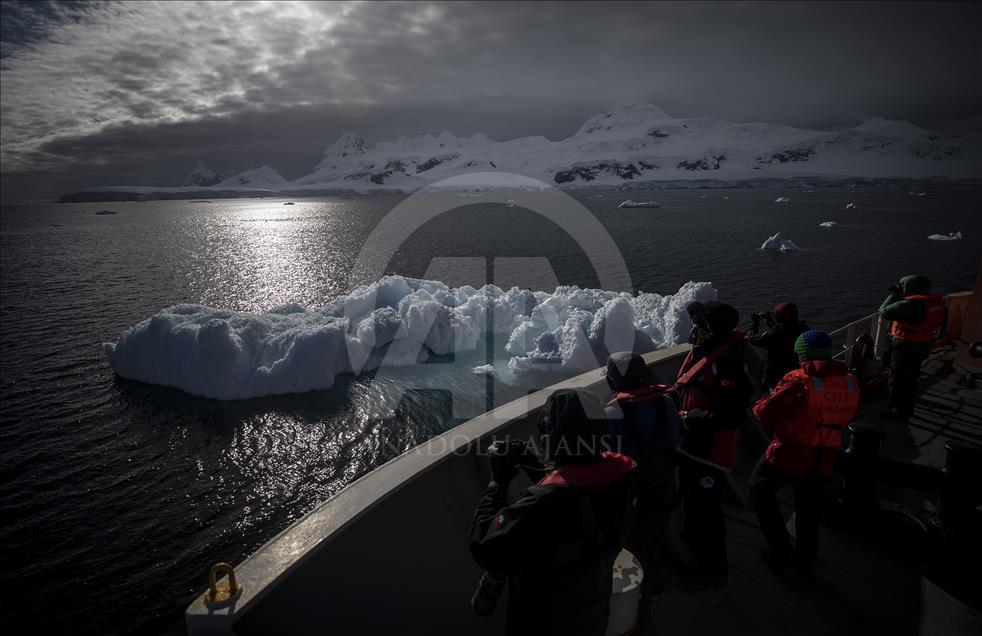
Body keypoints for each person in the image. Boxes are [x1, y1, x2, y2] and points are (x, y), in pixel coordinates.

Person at [469, 388, 636, 636]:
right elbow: (579, 498)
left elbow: (485, 546)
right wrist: (538, 468)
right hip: (592, 609)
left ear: (552, 437)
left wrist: (498, 483)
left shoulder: (544, 504)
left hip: (544, 619)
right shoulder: (623, 477)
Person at [749, 330, 860, 572]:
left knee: (759, 487)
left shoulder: (799, 381)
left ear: (802, 354)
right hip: (826, 453)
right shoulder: (849, 381)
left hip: (792, 451)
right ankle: (805, 559)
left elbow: (764, 412)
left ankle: (780, 549)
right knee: (809, 507)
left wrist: (765, 403)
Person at [674, 301, 754, 592]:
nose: (694, 330)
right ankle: (692, 556)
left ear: (710, 330)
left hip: (709, 449)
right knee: (694, 507)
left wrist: (691, 418)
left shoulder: (726, 363)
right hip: (694, 445)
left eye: (698, 325)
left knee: (706, 512)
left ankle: (714, 574)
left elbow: (729, 415)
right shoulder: (708, 354)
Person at [604, 352, 682, 588]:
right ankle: (655, 573)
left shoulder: (611, 413)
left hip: (633, 489)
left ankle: (644, 586)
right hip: (664, 479)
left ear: (612, 382)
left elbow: (608, 457)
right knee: (656, 528)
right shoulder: (665, 402)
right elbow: (674, 437)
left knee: (633, 538)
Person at [878, 275, 946, 419]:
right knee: (912, 377)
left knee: (897, 378)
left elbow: (884, 311)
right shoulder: (937, 303)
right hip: (924, 344)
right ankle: (908, 408)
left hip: (905, 345)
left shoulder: (909, 305)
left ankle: (896, 410)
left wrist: (895, 295)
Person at [748, 301, 809, 389]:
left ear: (778, 316)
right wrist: (770, 321)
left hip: (775, 378)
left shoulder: (773, 335)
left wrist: (754, 324)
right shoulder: (804, 328)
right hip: (797, 372)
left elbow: (753, 339)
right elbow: (784, 327)